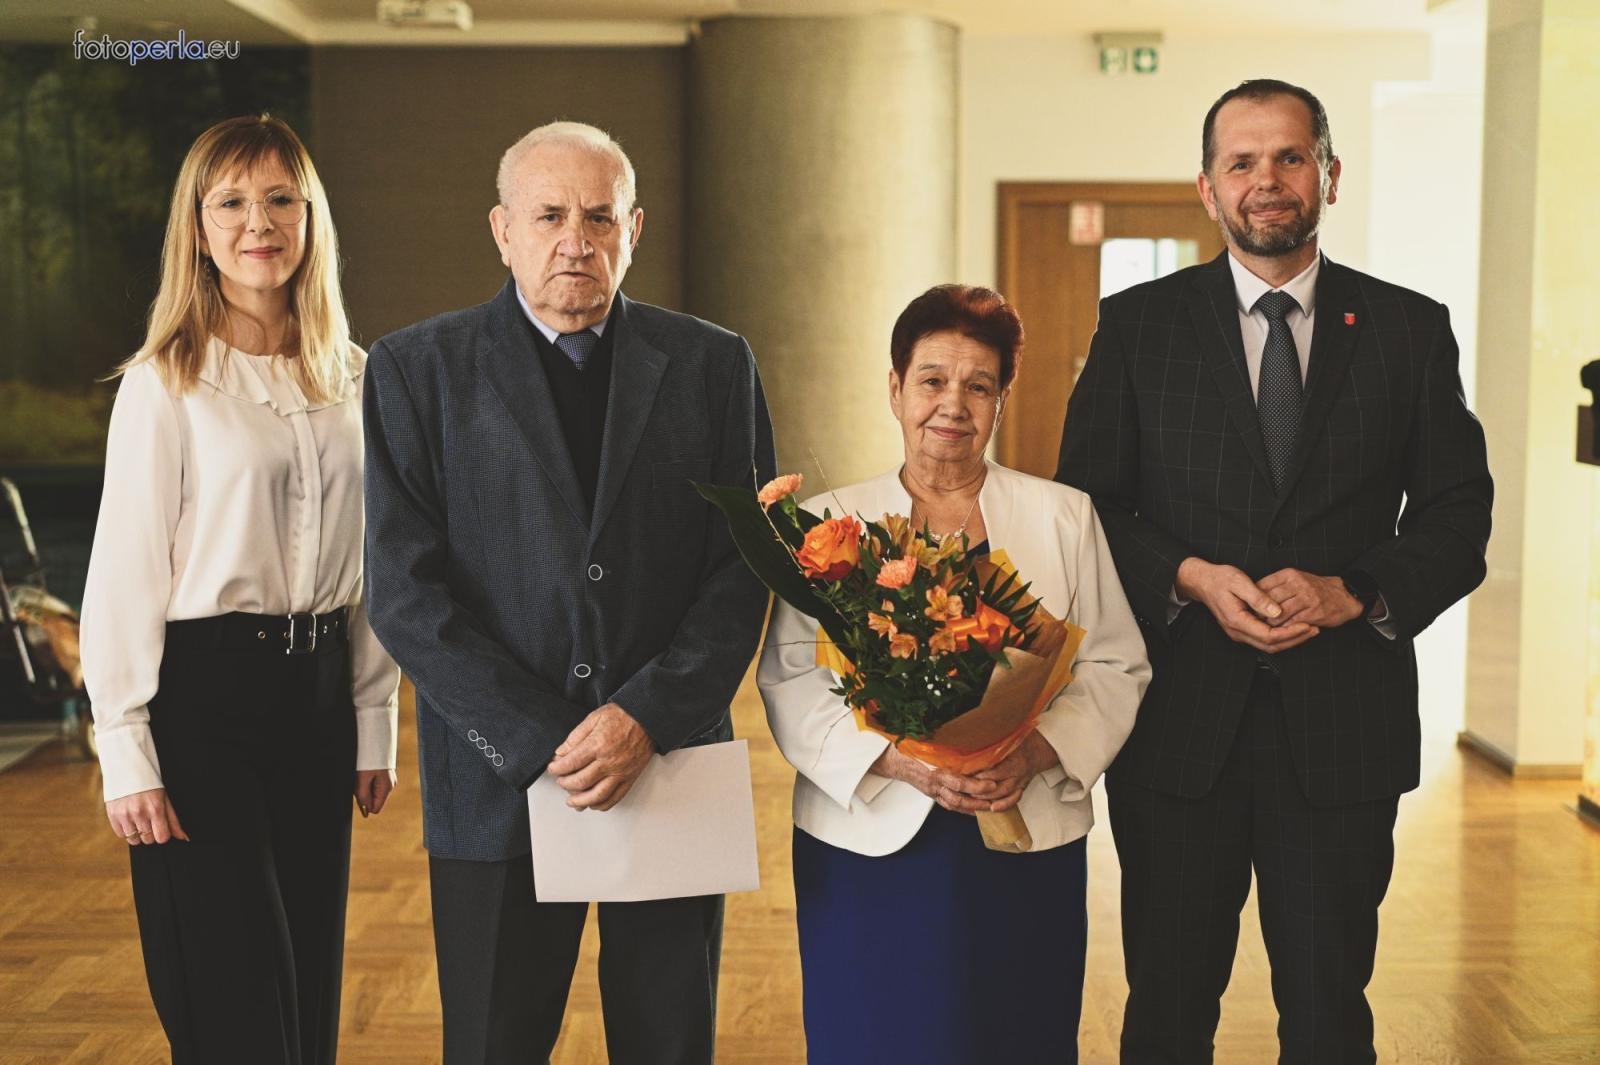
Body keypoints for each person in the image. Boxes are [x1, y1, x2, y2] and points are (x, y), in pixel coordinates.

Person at [1056, 79, 1494, 1064]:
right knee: (1167, 1012)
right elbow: (1085, 511)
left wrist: (1358, 590)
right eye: (1242, 162)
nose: (1267, 180)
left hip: (1342, 735)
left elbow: (1459, 512)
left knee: (1329, 1014)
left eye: (1290, 157)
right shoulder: (1138, 326)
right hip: (1178, 731)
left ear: (1329, 175)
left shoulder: (1408, 329)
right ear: (1206, 188)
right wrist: (1188, 576)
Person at [362, 121, 775, 1065]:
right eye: (549, 216)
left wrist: (644, 717)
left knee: (669, 1045)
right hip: (498, 782)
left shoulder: (715, 365)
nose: (574, 241)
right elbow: (405, 593)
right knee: (493, 1045)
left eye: (598, 217)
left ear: (634, 229)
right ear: (502, 230)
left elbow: (740, 566)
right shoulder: (416, 370)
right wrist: (544, 738)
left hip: (667, 765)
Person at [757, 284, 1151, 1065]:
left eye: (979, 385)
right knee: (872, 1039)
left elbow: (1116, 663)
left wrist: (1032, 751)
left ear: (1001, 400)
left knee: (1018, 1037)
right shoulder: (831, 524)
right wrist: (901, 759)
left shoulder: (1065, 516)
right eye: (933, 380)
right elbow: (792, 677)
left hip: (1024, 827)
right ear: (895, 389)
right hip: (868, 834)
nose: (953, 404)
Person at [79, 114, 401, 1065]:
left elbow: (377, 562)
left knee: (306, 994)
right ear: (198, 226)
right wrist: (125, 748)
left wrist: (372, 720)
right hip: (201, 709)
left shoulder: (359, 379)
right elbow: (124, 570)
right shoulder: (164, 384)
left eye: (279, 199)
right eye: (230, 202)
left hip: (317, 704)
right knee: (233, 1001)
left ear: (311, 218)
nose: (257, 223)